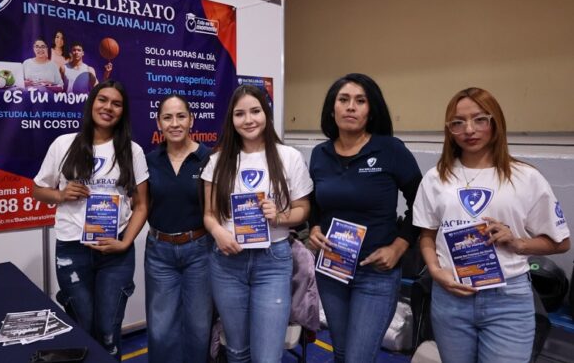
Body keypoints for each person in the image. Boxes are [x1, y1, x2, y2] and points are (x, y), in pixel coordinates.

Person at [413, 87, 570, 363]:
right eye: (458, 122)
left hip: (508, 299)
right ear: (449, 130)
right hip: (451, 296)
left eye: (479, 119)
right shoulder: (436, 178)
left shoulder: (526, 177)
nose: (469, 129)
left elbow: (561, 242)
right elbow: (427, 235)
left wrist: (518, 243)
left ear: (495, 122)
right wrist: (436, 272)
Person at [308, 73, 422, 363]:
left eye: (360, 101)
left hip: (376, 273)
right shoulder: (319, 154)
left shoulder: (390, 150)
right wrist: (314, 227)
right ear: (332, 109)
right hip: (332, 269)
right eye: (343, 100)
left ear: (371, 111)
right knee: (341, 352)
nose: (351, 107)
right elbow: (315, 204)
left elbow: (423, 205)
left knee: (359, 357)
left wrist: (399, 246)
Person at [32, 80, 149, 361]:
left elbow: (142, 205)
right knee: (82, 327)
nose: (108, 107)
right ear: (92, 103)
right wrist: (60, 195)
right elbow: (38, 190)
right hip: (72, 249)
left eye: (116, 103)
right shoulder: (64, 144)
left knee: (108, 332)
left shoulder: (132, 151)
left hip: (115, 252)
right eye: (102, 100)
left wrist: (125, 243)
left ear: (123, 111)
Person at [201, 85, 313, 363]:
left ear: (266, 115)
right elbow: (209, 214)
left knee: (268, 356)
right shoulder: (217, 161)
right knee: (237, 351)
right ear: (231, 119)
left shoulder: (289, 157)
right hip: (227, 262)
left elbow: (303, 209)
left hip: (273, 261)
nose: (248, 119)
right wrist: (218, 233)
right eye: (240, 114)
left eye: (255, 111)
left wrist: (280, 216)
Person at [144, 94, 212, 363]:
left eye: (181, 116)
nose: (175, 123)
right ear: (158, 123)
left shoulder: (209, 158)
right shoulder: (149, 160)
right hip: (159, 252)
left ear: (191, 120)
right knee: (161, 329)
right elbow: (138, 205)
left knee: (199, 327)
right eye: (167, 117)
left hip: (200, 252)